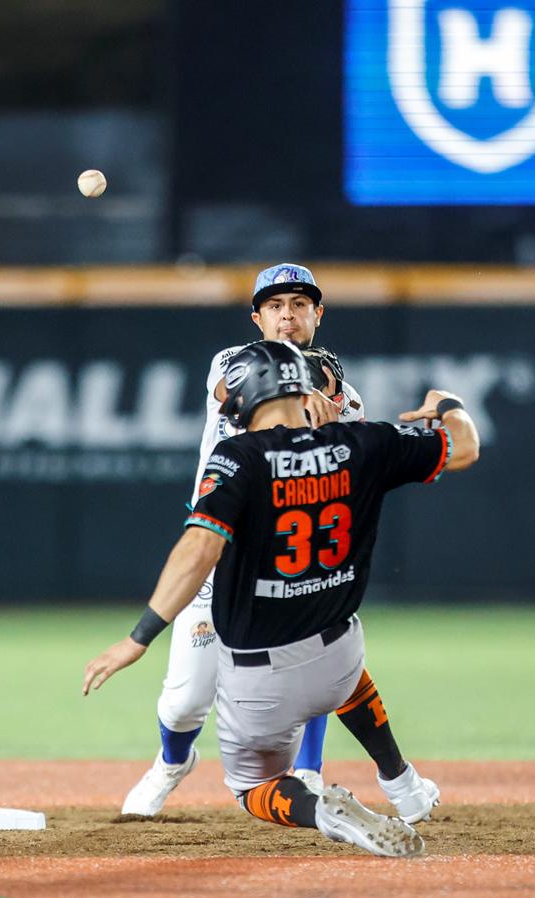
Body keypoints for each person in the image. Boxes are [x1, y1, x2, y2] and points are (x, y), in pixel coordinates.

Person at [84, 339, 479, 858]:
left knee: (252, 790)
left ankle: (322, 810)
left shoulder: (239, 457)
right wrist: (447, 402)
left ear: (252, 396)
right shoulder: (365, 443)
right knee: (342, 670)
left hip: (260, 682)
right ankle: (399, 781)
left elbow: (200, 547)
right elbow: (465, 446)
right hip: (341, 658)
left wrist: (138, 639)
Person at [120, 263, 434, 822]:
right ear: (257, 317)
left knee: (312, 658)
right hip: (215, 558)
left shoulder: (348, 399)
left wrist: (330, 402)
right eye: (275, 306)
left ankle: (309, 772)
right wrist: (307, 388)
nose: (287, 315)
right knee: (186, 700)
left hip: (283, 567)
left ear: (318, 313)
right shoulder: (230, 363)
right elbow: (230, 388)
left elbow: (344, 437)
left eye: (299, 304)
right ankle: (172, 763)